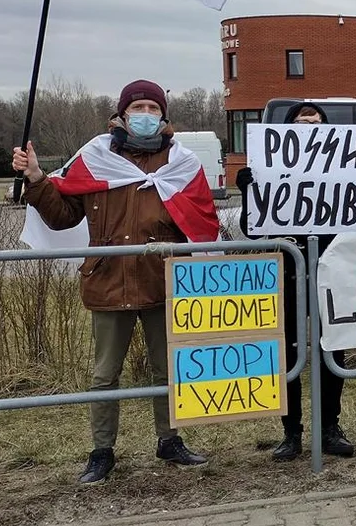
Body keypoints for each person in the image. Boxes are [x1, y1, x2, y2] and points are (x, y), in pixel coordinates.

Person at [13, 80, 218, 484]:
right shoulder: (95, 158)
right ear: (122, 114)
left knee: (168, 369)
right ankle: (102, 451)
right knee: (105, 374)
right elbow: (62, 216)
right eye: (138, 107)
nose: (145, 114)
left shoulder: (183, 163)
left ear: (163, 115)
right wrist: (37, 180)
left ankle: (169, 440)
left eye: (152, 107)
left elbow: (202, 222)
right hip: (108, 282)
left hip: (164, 284)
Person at [236, 102, 356, 462]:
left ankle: (330, 428)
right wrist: (249, 192)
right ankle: (290, 432)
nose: (309, 128)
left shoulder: (344, 172)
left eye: (317, 124)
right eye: (302, 123)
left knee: (332, 349)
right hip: (287, 275)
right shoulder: (269, 172)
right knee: (285, 351)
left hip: (331, 273)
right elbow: (251, 231)